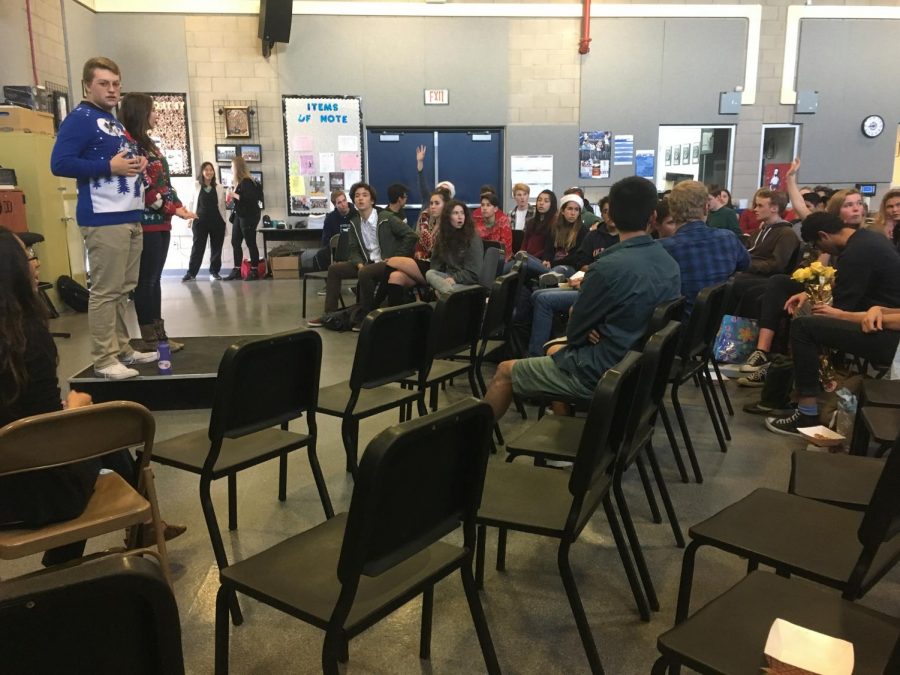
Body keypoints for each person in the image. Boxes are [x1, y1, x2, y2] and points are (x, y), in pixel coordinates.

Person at [0, 228, 185, 565]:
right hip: (33, 492)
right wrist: (74, 408)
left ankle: (143, 525)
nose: (36, 263)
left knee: (100, 435)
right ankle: (71, 562)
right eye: (28, 256)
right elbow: (47, 436)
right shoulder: (26, 339)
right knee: (97, 432)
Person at [483, 176, 681, 420]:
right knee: (554, 349)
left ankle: (469, 454)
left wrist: (588, 323)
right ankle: (560, 429)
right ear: (653, 217)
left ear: (612, 217)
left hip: (606, 371)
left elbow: (576, 332)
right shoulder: (670, 264)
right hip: (642, 369)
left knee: (505, 371)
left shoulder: (606, 267)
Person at [50, 56, 157, 380]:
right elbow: (61, 163)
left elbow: (117, 161)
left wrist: (134, 164)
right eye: (104, 83)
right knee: (106, 291)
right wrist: (108, 167)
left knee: (124, 289)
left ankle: (123, 348)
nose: (112, 90)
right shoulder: (80, 119)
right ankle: (104, 358)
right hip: (103, 218)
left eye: (116, 84)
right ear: (87, 86)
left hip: (128, 214)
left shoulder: (111, 121)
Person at [120, 92, 196, 353]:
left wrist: (179, 206)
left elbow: (165, 183)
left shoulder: (150, 144)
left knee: (155, 279)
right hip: (147, 222)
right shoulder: (130, 145)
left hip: (162, 222)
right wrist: (170, 209)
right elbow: (145, 187)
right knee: (146, 281)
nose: (156, 115)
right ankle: (151, 338)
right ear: (140, 113)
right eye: (152, 110)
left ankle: (160, 335)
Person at [307, 182, 416, 329]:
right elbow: (353, 249)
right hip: (366, 263)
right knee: (334, 269)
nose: (360, 199)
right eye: (357, 196)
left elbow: (411, 235)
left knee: (365, 272)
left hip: (386, 263)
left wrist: (397, 257)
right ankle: (330, 316)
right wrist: (358, 263)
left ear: (372, 200)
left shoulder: (386, 218)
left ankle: (365, 315)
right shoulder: (355, 222)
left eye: (365, 195)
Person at [660, 181, 749, 317]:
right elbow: (746, 265)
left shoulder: (662, 249)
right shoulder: (728, 238)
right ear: (706, 208)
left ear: (672, 211)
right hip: (718, 324)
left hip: (677, 329)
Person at [424, 200, 484, 294]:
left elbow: (474, 273)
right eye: (455, 213)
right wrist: (440, 281)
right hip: (448, 278)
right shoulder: (443, 236)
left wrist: (454, 279)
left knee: (441, 290)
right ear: (448, 217)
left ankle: (447, 293)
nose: (460, 216)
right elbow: (436, 265)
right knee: (430, 273)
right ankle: (446, 292)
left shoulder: (472, 237)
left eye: (462, 213)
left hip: (467, 283)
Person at [185, 161, 227, 281]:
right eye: (206, 170)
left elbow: (222, 206)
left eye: (211, 170)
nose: (209, 172)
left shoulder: (219, 187)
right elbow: (191, 203)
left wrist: (224, 222)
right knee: (198, 247)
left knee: (216, 248)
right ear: (202, 172)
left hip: (217, 221)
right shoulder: (196, 185)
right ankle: (191, 273)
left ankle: (214, 272)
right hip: (200, 221)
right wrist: (189, 218)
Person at [224, 156, 263, 280]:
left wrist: (233, 194)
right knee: (235, 241)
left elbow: (250, 199)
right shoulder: (240, 183)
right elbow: (239, 200)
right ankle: (237, 269)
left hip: (249, 216)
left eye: (232, 167)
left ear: (237, 168)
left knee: (250, 242)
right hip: (239, 216)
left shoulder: (247, 181)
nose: (231, 169)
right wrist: (231, 196)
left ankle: (254, 270)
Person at [300, 189, 355, 273]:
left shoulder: (357, 215)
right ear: (335, 205)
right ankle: (330, 281)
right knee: (319, 256)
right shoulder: (330, 218)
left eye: (344, 200)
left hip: (354, 248)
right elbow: (326, 240)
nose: (343, 204)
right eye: (339, 202)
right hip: (336, 250)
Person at [542, 194, 588, 278]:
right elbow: (548, 249)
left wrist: (552, 263)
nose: (573, 213)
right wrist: (546, 260)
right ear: (562, 211)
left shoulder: (582, 230)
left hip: (570, 267)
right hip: (551, 264)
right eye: (570, 209)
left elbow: (575, 258)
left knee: (557, 271)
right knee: (526, 261)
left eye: (576, 210)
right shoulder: (554, 227)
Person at [473, 191, 512, 259]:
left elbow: (506, 248)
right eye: (482, 205)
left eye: (488, 205)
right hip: (481, 258)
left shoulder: (503, 221)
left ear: (495, 209)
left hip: (501, 259)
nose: (484, 208)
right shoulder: (476, 221)